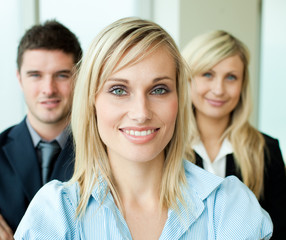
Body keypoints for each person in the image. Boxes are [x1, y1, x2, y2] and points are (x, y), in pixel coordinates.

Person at [15, 17, 272, 240]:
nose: (141, 113)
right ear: (91, 103)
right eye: (118, 90)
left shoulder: (228, 204)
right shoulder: (55, 213)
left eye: (159, 89)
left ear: (179, 100)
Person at [182, 30, 286, 239]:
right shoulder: (165, 146)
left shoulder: (266, 149)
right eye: (208, 74)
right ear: (188, 79)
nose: (219, 89)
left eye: (231, 77)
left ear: (242, 85)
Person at [0, 20, 82, 238]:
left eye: (62, 75)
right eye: (35, 75)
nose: (48, 89)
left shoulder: (105, 154)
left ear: (79, 78)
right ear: (19, 79)